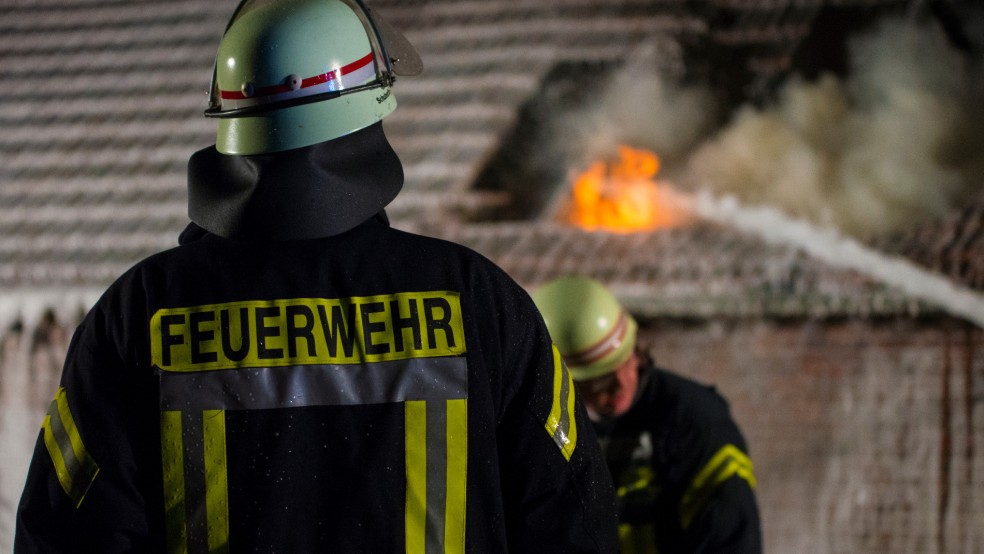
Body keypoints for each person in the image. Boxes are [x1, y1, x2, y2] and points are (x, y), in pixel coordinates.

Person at [14, 1, 618, 552]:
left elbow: (66, 537)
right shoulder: (478, 300)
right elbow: (573, 524)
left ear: (229, 122)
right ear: (368, 114)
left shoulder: (138, 312)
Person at [532, 275, 762, 553]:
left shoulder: (695, 421)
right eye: (600, 379)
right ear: (561, 379)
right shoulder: (539, 429)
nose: (621, 382)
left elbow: (730, 536)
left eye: (626, 360)